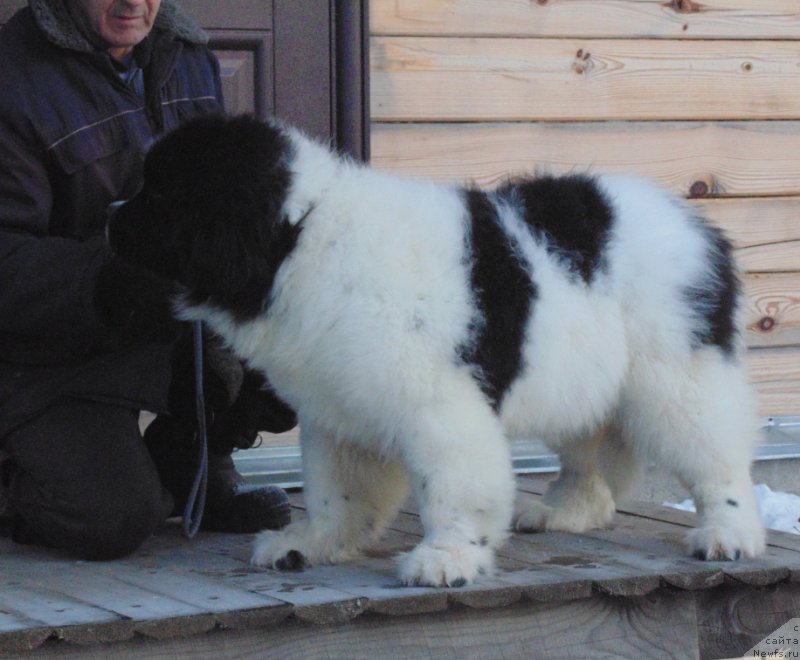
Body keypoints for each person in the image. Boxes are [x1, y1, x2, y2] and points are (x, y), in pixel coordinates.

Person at [0, 0, 297, 560]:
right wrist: (117, 286)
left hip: (173, 323)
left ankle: (193, 463)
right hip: (47, 353)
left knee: (319, 348)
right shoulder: (12, 79)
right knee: (111, 519)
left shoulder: (186, 55)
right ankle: (18, 480)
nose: (132, 1)